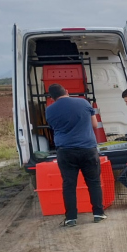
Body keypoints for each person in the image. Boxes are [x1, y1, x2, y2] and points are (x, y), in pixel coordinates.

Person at [45, 84, 106, 226]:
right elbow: (95, 125)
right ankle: (98, 214)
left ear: (51, 97)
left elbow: (54, 128)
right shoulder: (83, 102)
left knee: (69, 185)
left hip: (65, 151)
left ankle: (71, 218)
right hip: (88, 149)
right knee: (93, 182)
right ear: (67, 91)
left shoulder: (49, 110)